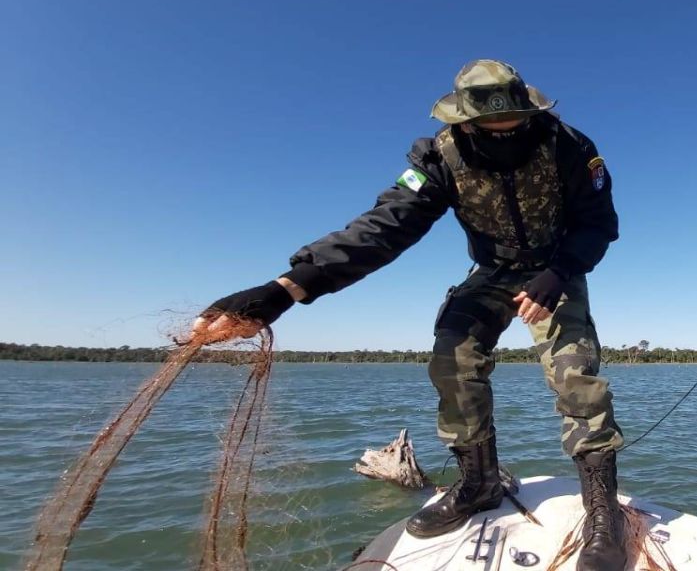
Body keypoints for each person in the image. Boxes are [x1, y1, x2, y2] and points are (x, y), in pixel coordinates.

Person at [193, 60, 626, 570]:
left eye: (516, 125)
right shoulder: (438, 158)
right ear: (465, 123)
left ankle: (602, 511)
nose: (506, 136)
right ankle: (478, 482)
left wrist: (561, 271)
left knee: (575, 374)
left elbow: (598, 222)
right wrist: (288, 288)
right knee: (452, 357)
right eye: (492, 129)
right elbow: (384, 227)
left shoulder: (569, 146)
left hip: (556, 270)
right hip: (493, 271)